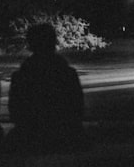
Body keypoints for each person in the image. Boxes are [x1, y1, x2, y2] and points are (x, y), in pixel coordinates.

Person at [6, 22, 86, 153]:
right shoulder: (68, 74)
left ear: (30, 44)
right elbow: (77, 109)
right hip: (66, 137)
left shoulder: (21, 77)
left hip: (29, 138)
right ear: (54, 42)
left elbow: (15, 113)